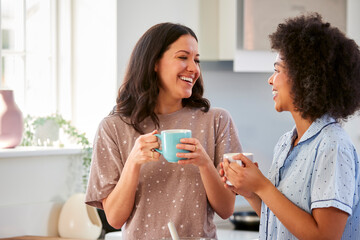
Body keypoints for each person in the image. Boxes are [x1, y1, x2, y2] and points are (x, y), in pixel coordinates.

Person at [85, 22, 242, 239]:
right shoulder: (113, 127)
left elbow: (226, 210)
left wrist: (204, 163)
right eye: (183, 57)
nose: (194, 68)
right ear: (154, 63)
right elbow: (114, 218)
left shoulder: (216, 120)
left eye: (196, 60)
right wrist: (133, 162)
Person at [220, 13, 360, 239]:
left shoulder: (333, 146)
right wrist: (251, 191)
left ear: (305, 76)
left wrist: (263, 186)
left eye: (277, 70)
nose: (270, 80)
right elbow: (279, 221)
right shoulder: (287, 143)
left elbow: (325, 236)